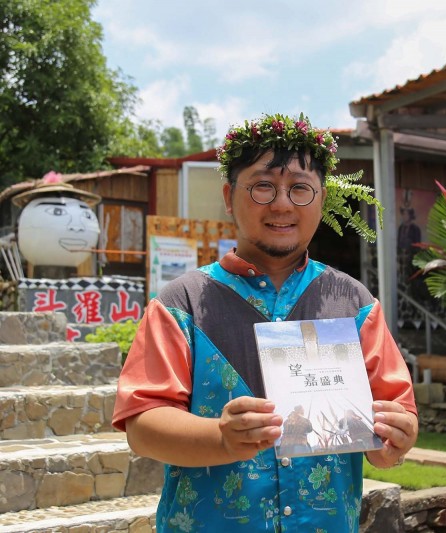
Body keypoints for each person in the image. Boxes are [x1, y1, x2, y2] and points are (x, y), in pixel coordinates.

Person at [112, 112, 418, 532]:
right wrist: (220, 437)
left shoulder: (354, 306)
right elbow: (143, 426)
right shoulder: (180, 304)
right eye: (262, 186)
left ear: (321, 198)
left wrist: (394, 442)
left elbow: (392, 419)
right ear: (228, 195)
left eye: (300, 189)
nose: (282, 204)